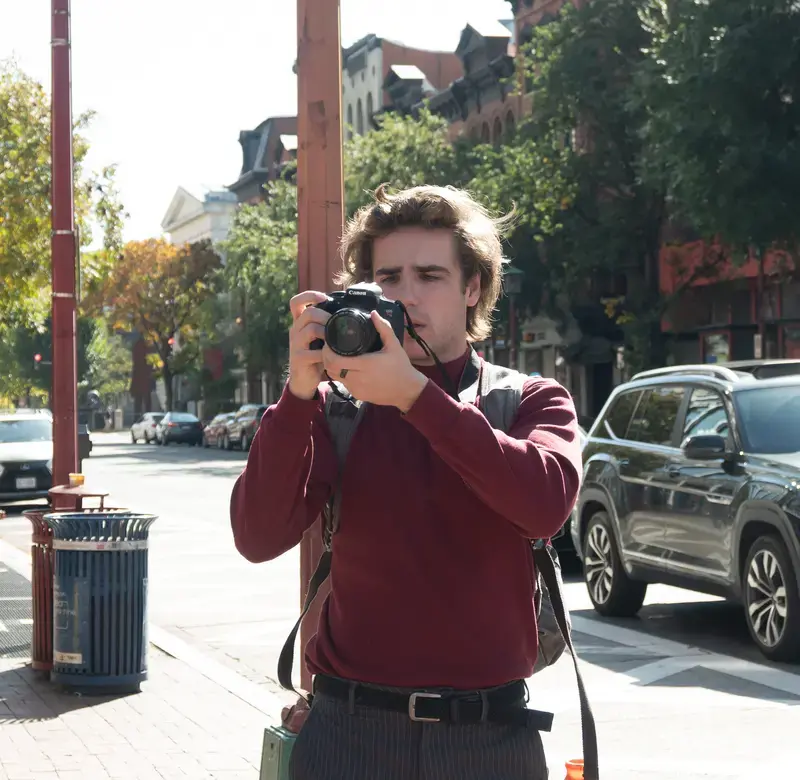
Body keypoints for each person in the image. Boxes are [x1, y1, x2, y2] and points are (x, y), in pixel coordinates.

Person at [230, 184, 582, 780]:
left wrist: (416, 397)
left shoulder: (526, 399)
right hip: (348, 733)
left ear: (473, 288)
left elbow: (544, 505)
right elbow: (257, 536)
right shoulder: (339, 408)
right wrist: (296, 395)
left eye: (430, 275)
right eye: (388, 277)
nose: (406, 296)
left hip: (490, 739)